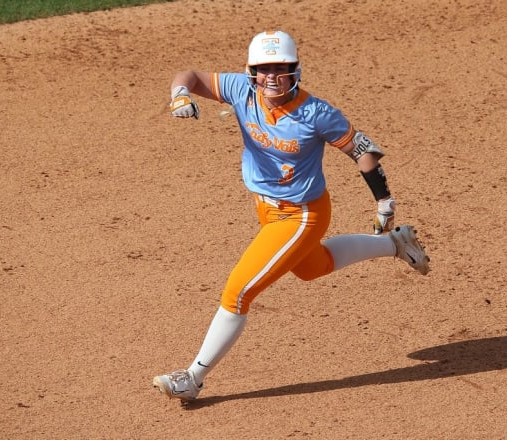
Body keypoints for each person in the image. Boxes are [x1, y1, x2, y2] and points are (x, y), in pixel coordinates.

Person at [153, 30, 430, 402]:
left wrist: (384, 202)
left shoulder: (317, 113)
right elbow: (190, 75)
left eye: (280, 69)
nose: (272, 77)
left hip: (302, 215)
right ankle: (395, 245)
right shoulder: (240, 90)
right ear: (252, 72)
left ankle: (193, 378)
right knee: (311, 266)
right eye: (264, 69)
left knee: (238, 292)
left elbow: (363, 152)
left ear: (294, 70)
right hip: (266, 210)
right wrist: (179, 94)